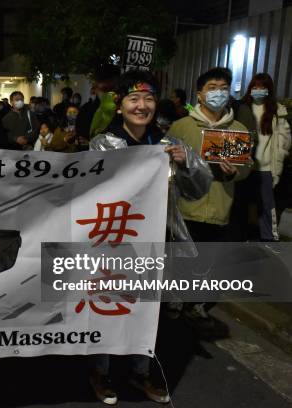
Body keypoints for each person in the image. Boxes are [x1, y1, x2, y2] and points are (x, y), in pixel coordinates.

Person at [89, 70, 211, 405]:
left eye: (148, 99)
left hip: (156, 243)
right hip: (113, 240)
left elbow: (199, 187)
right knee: (109, 304)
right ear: (119, 106)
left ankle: (140, 370)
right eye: (133, 98)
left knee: (146, 309)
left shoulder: (168, 145)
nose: (141, 106)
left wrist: (188, 164)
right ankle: (100, 370)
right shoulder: (103, 143)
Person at [167, 67, 250, 334]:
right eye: (212, 87)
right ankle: (175, 301)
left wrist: (236, 171)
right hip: (185, 207)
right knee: (181, 257)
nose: (218, 93)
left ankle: (197, 303)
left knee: (208, 260)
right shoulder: (181, 127)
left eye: (224, 88)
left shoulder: (238, 130)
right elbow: (163, 162)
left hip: (218, 206)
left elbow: (247, 165)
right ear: (200, 94)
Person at [232, 73, 291, 241]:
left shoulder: (277, 111)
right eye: (255, 87)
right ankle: (240, 239)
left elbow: (283, 142)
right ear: (250, 88)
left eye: (262, 88)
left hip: (264, 168)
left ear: (269, 90)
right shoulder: (241, 108)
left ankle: (269, 239)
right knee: (240, 204)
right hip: (244, 166)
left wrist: (277, 169)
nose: (258, 90)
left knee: (267, 206)